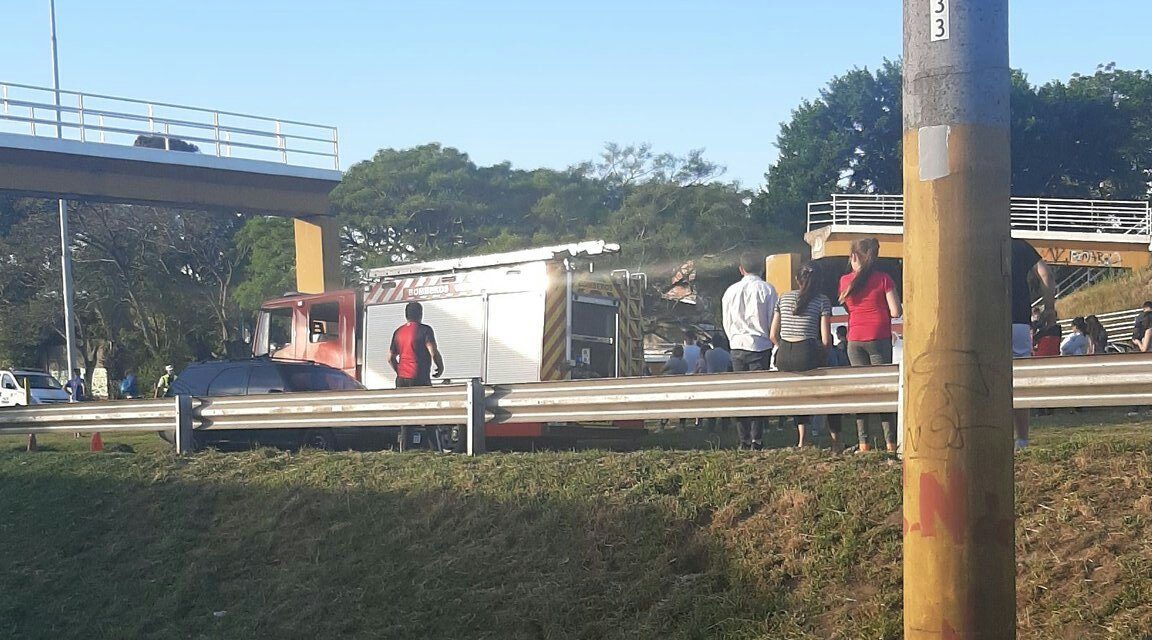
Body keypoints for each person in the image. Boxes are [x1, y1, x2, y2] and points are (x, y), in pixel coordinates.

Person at [838, 238, 901, 452]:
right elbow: (896, 312)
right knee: (884, 390)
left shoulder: (845, 281)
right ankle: (891, 443)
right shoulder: (884, 279)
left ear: (854, 257)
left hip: (855, 339)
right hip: (879, 337)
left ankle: (864, 443)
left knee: (861, 391)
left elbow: (848, 308)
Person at [770, 263, 832, 448]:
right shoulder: (822, 301)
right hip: (806, 351)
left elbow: (772, 335)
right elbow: (826, 340)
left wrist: (783, 347)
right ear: (819, 281)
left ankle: (801, 437)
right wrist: (822, 355)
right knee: (811, 392)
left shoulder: (783, 298)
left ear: (797, 279)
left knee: (797, 392)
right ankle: (810, 435)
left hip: (784, 354)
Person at [722, 253, 779, 451]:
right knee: (758, 393)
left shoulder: (730, 291)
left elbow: (726, 321)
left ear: (741, 269)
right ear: (762, 269)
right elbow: (773, 318)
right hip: (760, 345)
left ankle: (743, 439)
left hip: (737, 345)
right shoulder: (768, 289)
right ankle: (757, 439)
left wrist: (733, 339)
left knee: (741, 394)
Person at [1010, 238, 1056, 450]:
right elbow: (1045, 273)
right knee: (1018, 379)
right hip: (1018, 318)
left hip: (985, 318)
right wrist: (1049, 307)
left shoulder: (979, 241)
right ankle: (1022, 438)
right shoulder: (1020, 246)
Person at [389, 302, 446, 451]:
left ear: (406, 315)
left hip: (402, 379)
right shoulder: (425, 330)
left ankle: (404, 449)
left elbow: (390, 357)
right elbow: (432, 351)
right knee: (428, 413)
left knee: (406, 416)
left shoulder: (398, 332)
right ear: (420, 314)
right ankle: (435, 448)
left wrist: (399, 370)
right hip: (420, 377)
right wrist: (439, 366)